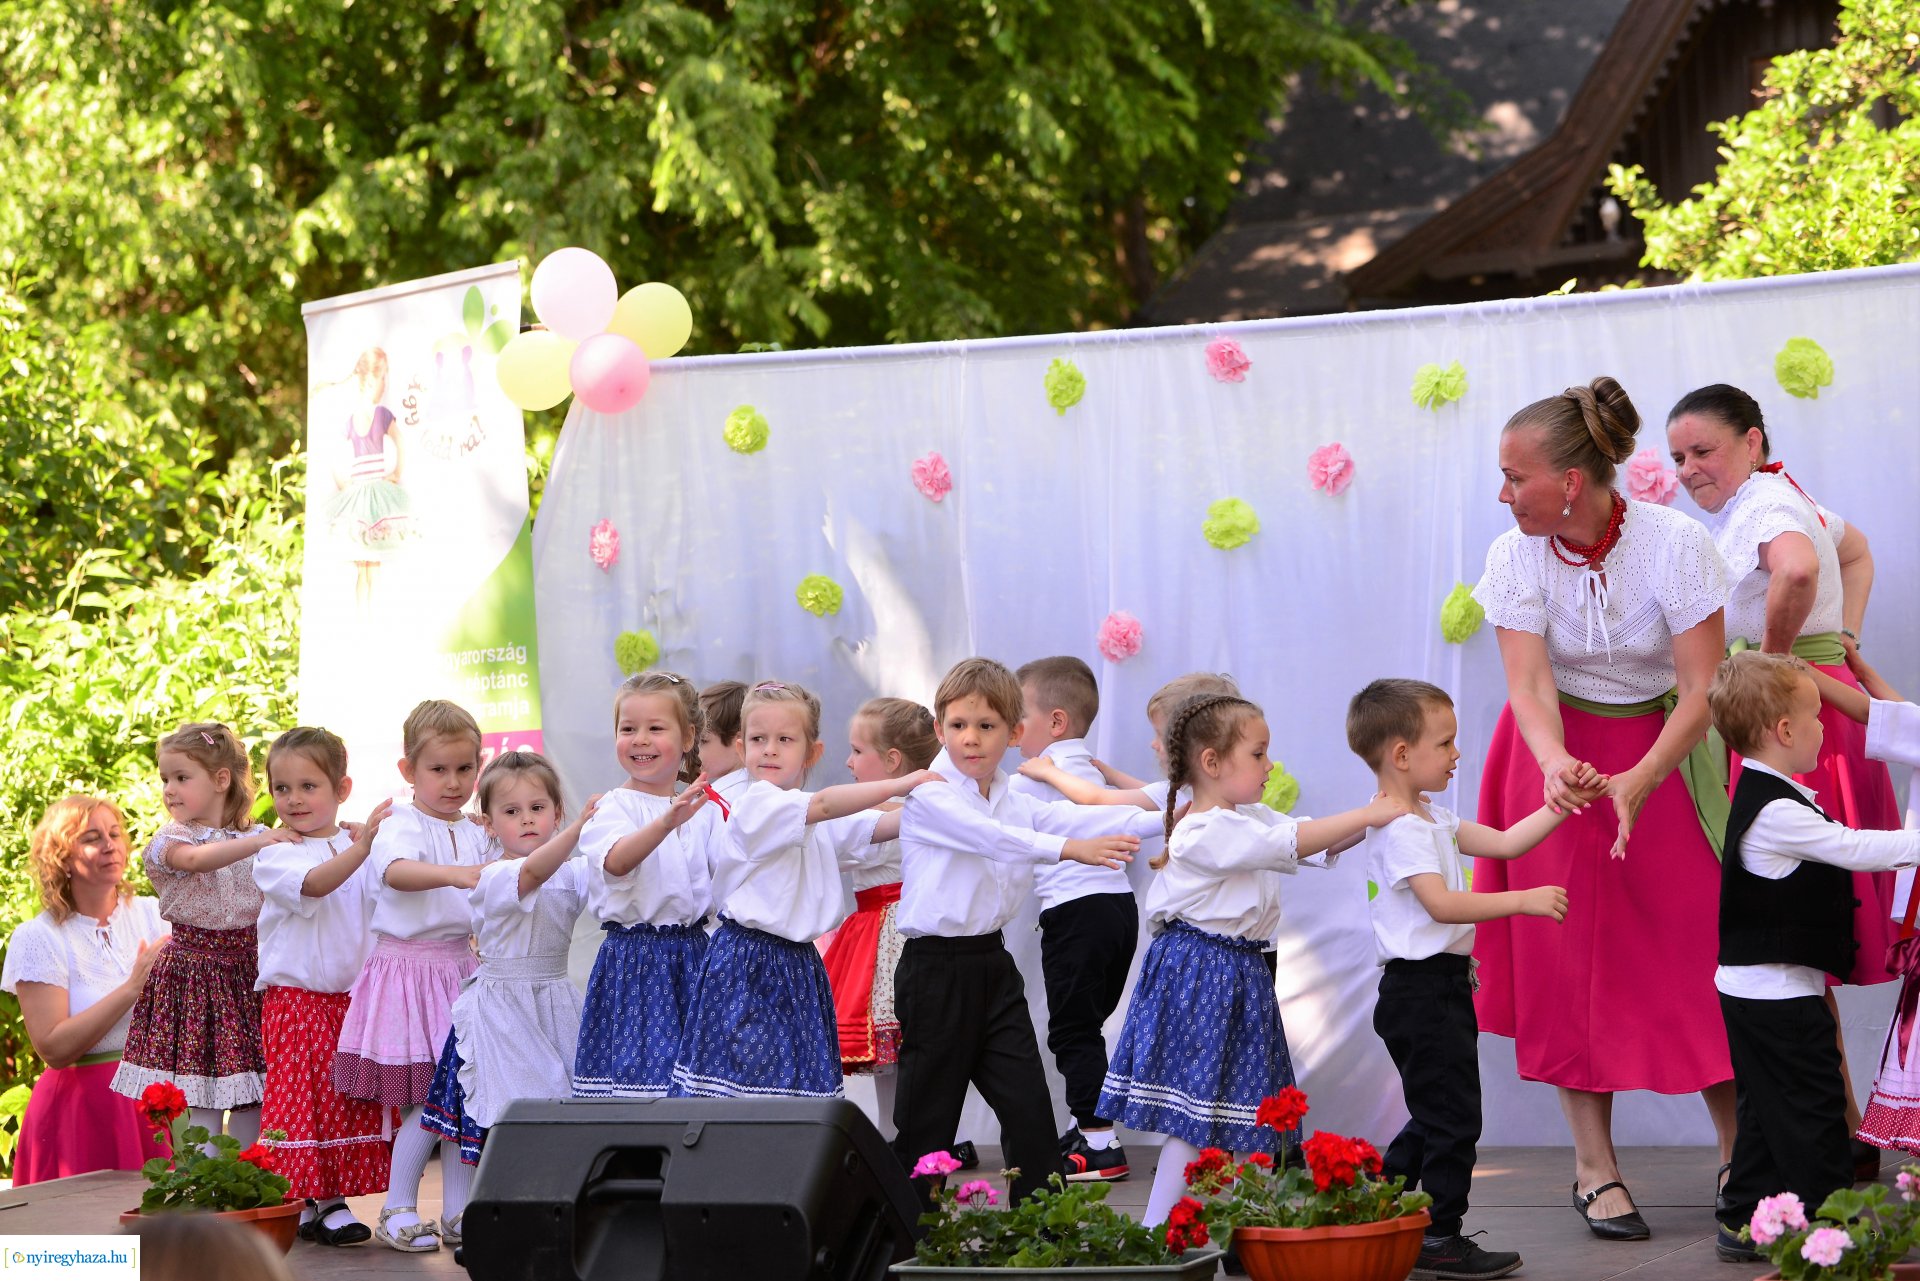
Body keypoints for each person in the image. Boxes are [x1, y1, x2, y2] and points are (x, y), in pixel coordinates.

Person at [1471, 376, 1733, 1241]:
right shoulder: (1514, 554)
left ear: (1572, 483)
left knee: (1701, 947)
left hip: (1666, 749)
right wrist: (1556, 766)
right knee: (1569, 956)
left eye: (1516, 477)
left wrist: (1643, 776)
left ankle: (1742, 1151)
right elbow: (1529, 682)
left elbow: (1703, 686)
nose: (1503, 493)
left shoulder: (1675, 544)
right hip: (1554, 758)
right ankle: (1595, 1167)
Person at [1667, 383, 1897, 1182]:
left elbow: (1797, 568)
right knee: (1799, 937)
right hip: (1804, 708)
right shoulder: (1779, 495)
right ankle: (1837, 1126)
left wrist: (1766, 661)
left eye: (1703, 451)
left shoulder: (1765, 505)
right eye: (1678, 458)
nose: (1689, 469)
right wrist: (1839, 638)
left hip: (1795, 725)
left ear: (1753, 442)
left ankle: (1831, 1135)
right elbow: (1854, 549)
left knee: (1792, 930)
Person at [1099, 692, 1402, 1228]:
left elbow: (1309, 839)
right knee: (1199, 1118)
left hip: (1237, 972)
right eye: (1259, 754)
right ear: (1212, 763)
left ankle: (1227, 1230)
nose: (1270, 766)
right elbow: (1290, 841)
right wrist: (1372, 811)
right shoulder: (1203, 829)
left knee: (1233, 1117)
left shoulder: (1247, 816)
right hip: (1200, 973)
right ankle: (1156, 1234)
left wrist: (1383, 811)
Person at [892, 657, 1160, 1205]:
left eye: (987, 726)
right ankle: (901, 1246)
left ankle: (1042, 1235)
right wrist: (1071, 851)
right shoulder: (931, 793)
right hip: (934, 972)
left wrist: (1184, 808)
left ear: (1015, 734)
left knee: (1032, 1116)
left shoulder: (1013, 797)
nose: (972, 739)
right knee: (927, 1127)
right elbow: (992, 838)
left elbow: (1081, 820)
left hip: (992, 967)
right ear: (940, 729)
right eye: (960, 726)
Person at [1348, 678, 1587, 1281]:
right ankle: (1440, 1236)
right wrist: (1522, 902)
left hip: (1440, 988)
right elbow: (1441, 906)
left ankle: (1377, 1197)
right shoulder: (1402, 830)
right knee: (1454, 1117)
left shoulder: (1430, 817)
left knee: (1438, 1111)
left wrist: (1561, 803)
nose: (1458, 754)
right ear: (1402, 754)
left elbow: (1504, 843)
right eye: (1446, 743)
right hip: (1419, 990)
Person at [1703, 651, 1920, 1263]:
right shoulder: (1774, 811)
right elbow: (1851, 846)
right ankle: (1832, 1229)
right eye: (1816, 717)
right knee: (1817, 1108)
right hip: (1772, 996)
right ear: (1785, 732)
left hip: (1760, 988)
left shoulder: (1776, 794)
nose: (1826, 728)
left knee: (1766, 1107)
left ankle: (1744, 1215)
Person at [670, 681, 934, 1100]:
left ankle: (791, 1161)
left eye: (785, 739)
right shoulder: (757, 804)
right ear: (741, 749)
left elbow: (879, 826)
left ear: (811, 753)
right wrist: (903, 784)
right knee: (745, 1082)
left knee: (797, 1083)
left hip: (798, 965)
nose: (770, 749)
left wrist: (943, 802)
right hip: (748, 960)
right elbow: (828, 805)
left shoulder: (808, 814)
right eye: (758, 739)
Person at [330, 699, 492, 1254]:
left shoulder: (476, 829)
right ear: (408, 771)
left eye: (465, 769)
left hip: (460, 970)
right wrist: (461, 874)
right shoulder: (401, 820)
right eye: (438, 770)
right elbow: (397, 873)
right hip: (407, 971)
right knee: (425, 1098)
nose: (453, 782)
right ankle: (398, 1205)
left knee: (465, 1094)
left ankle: (459, 1211)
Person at [421, 751, 596, 1219]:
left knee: (560, 1097)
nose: (527, 821)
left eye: (538, 809)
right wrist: (581, 828)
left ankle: (550, 1206)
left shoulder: (576, 872)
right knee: (499, 1108)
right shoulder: (494, 876)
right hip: (502, 1006)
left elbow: (615, 875)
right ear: (490, 824)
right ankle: (482, 1210)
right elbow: (533, 873)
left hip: (553, 999)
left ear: (555, 812)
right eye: (511, 812)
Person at [252, 728, 393, 1245]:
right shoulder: (277, 849)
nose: (293, 799)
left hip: (350, 999)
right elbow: (314, 883)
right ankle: (325, 1202)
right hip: (297, 999)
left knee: (341, 1102)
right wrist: (363, 847)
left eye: (308, 786)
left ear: (342, 788)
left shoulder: (354, 844)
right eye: (282, 787)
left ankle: (315, 1204)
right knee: (303, 1101)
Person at [111, 723, 281, 1147]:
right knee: (201, 1092)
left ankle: (249, 1177)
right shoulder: (174, 836)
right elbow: (195, 860)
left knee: (253, 1090)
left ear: (222, 780)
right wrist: (264, 842)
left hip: (250, 970)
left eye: (182, 778)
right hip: (194, 972)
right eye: (165, 778)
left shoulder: (258, 836)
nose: (169, 789)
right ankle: (202, 1185)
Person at [1009, 656, 1137, 1182]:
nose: (1012, 733)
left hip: (1075, 915)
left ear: (1055, 722)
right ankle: (1088, 1129)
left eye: (1017, 720)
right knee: (1088, 1025)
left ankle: (1101, 1142)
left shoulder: (1033, 776)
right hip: (1119, 911)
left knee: (1071, 1030)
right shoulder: (1086, 769)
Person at [573, 672, 724, 1099]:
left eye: (655, 728)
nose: (640, 739)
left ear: (688, 737)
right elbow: (618, 861)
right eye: (628, 729)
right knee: (642, 1089)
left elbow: (728, 876)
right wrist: (665, 822)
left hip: (695, 957)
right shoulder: (610, 807)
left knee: (696, 1090)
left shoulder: (706, 809)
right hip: (636, 963)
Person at [2, 796, 168, 1183]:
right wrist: (131, 989)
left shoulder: (154, 915)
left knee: (164, 1237)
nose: (110, 845)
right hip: (82, 1111)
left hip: (154, 1102)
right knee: (89, 1239)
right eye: (92, 837)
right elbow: (54, 1048)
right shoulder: (39, 938)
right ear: (61, 857)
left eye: (114, 834)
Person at [823, 698, 939, 1130]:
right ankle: (903, 1134)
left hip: (888, 933)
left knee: (897, 1045)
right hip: (886, 927)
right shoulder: (920, 808)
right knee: (897, 1051)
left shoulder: (877, 814)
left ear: (892, 761)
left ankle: (898, 1135)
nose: (848, 761)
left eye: (857, 751)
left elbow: (827, 844)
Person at [323, 346, 412, 607]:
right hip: (371, 494)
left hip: (359, 494)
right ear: (372, 379)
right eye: (383, 377)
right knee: (371, 564)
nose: (385, 384)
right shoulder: (380, 414)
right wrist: (395, 473)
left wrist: (344, 484)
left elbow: (332, 453)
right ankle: (369, 614)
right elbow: (400, 441)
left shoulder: (353, 418)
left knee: (364, 565)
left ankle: (365, 613)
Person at [699, 679, 751, 811]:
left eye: (703, 741)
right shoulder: (768, 789)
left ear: (740, 742)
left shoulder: (717, 801)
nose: (693, 750)